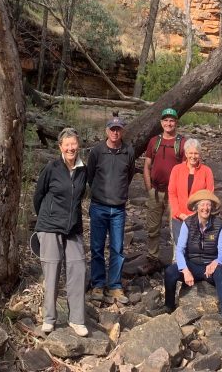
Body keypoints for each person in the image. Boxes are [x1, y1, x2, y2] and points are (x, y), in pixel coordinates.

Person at [33, 127, 89, 337]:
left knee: (78, 269)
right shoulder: (52, 167)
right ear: (60, 147)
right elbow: (38, 196)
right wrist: (46, 218)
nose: (71, 148)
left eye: (73, 144)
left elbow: (81, 194)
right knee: (52, 271)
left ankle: (77, 320)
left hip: (73, 227)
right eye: (67, 145)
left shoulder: (84, 169)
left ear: (78, 145)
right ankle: (49, 318)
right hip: (49, 227)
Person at [164, 190, 222, 336]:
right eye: (202, 205)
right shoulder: (188, 223)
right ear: (196, 207)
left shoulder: (218, 225)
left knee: (220, 275)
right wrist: (184, 269)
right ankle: (169, 306)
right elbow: (180, 249)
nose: (205, 208)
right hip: (192, 265)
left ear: (212, 208)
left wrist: (217, 261)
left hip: (210, 266)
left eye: (208, 205)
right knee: (170, 272)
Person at [85, 113, 135, 305]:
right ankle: (98, 283)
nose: (115, 132)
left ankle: (114, 285)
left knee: (117, 249)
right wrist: (100, 194)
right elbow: (90, 176)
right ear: (107, 130)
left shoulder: (128, 151)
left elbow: (128, 175)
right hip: (99, 206)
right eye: (112, 129)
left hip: (118, 209)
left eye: (118, 129)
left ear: (122, 131)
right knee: (97, 248)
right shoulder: (97, 151)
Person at [143, 107, 185, 262]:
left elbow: (186, 169)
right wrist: (149, 189)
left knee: (176, 228)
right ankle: (152, 258)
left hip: (174, 194)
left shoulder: (182, 142)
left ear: (176, 122)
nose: (169, 123)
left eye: (172, 120)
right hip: (155, 191)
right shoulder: (154, 141)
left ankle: (177, 260)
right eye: (166, 120)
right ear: (161, 122)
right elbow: (147, 166)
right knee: (152, 228)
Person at [168, 138, 215, 245]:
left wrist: (196, 214)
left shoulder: (206, 171)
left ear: (200, 154)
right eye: (191, 153)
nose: (193, 156)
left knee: (196, 249)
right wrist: (179, 213)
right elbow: (172, 193)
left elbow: (209, 195)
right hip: (179, 218)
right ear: (185, 153)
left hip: (199, 218)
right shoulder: (177, 169)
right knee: (180, 247)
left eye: (196, 153)